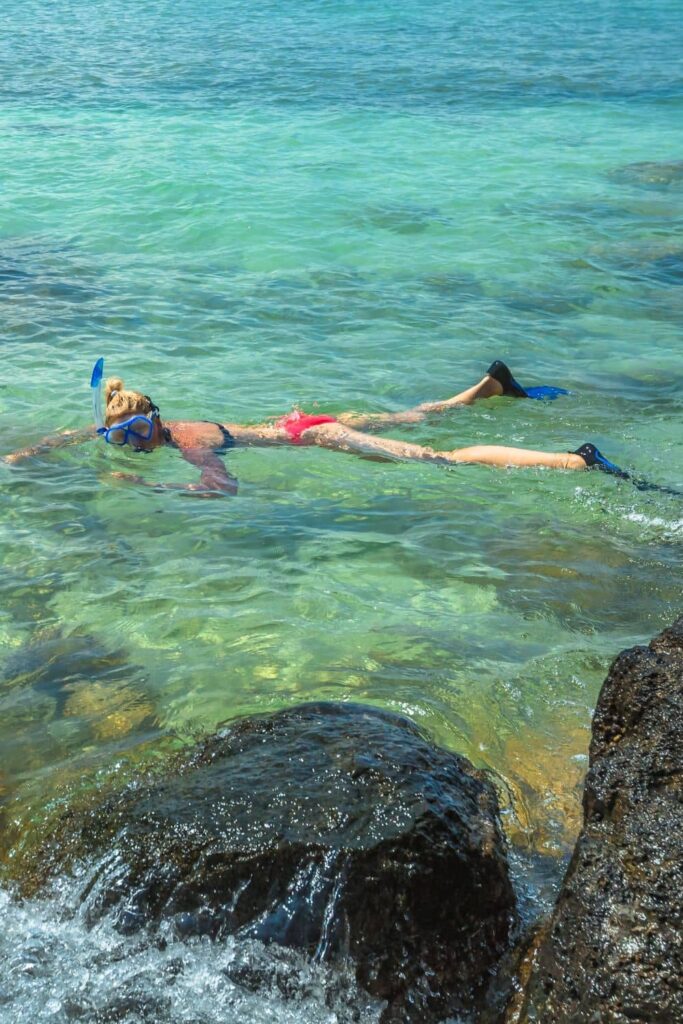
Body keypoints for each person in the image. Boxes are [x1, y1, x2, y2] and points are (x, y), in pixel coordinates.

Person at [3, 360, 626, 496]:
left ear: (156, 420)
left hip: (315, 434)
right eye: (124, 437)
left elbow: (222, 488)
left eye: (139, 431)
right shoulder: (128, 430)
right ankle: (487, 388)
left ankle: (573, 460)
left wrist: (149, 490)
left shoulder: (186, 441)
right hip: (294, 420)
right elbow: (76, 435)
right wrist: (25, 454)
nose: (136, 444)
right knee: (415, 414)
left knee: (439, 458)